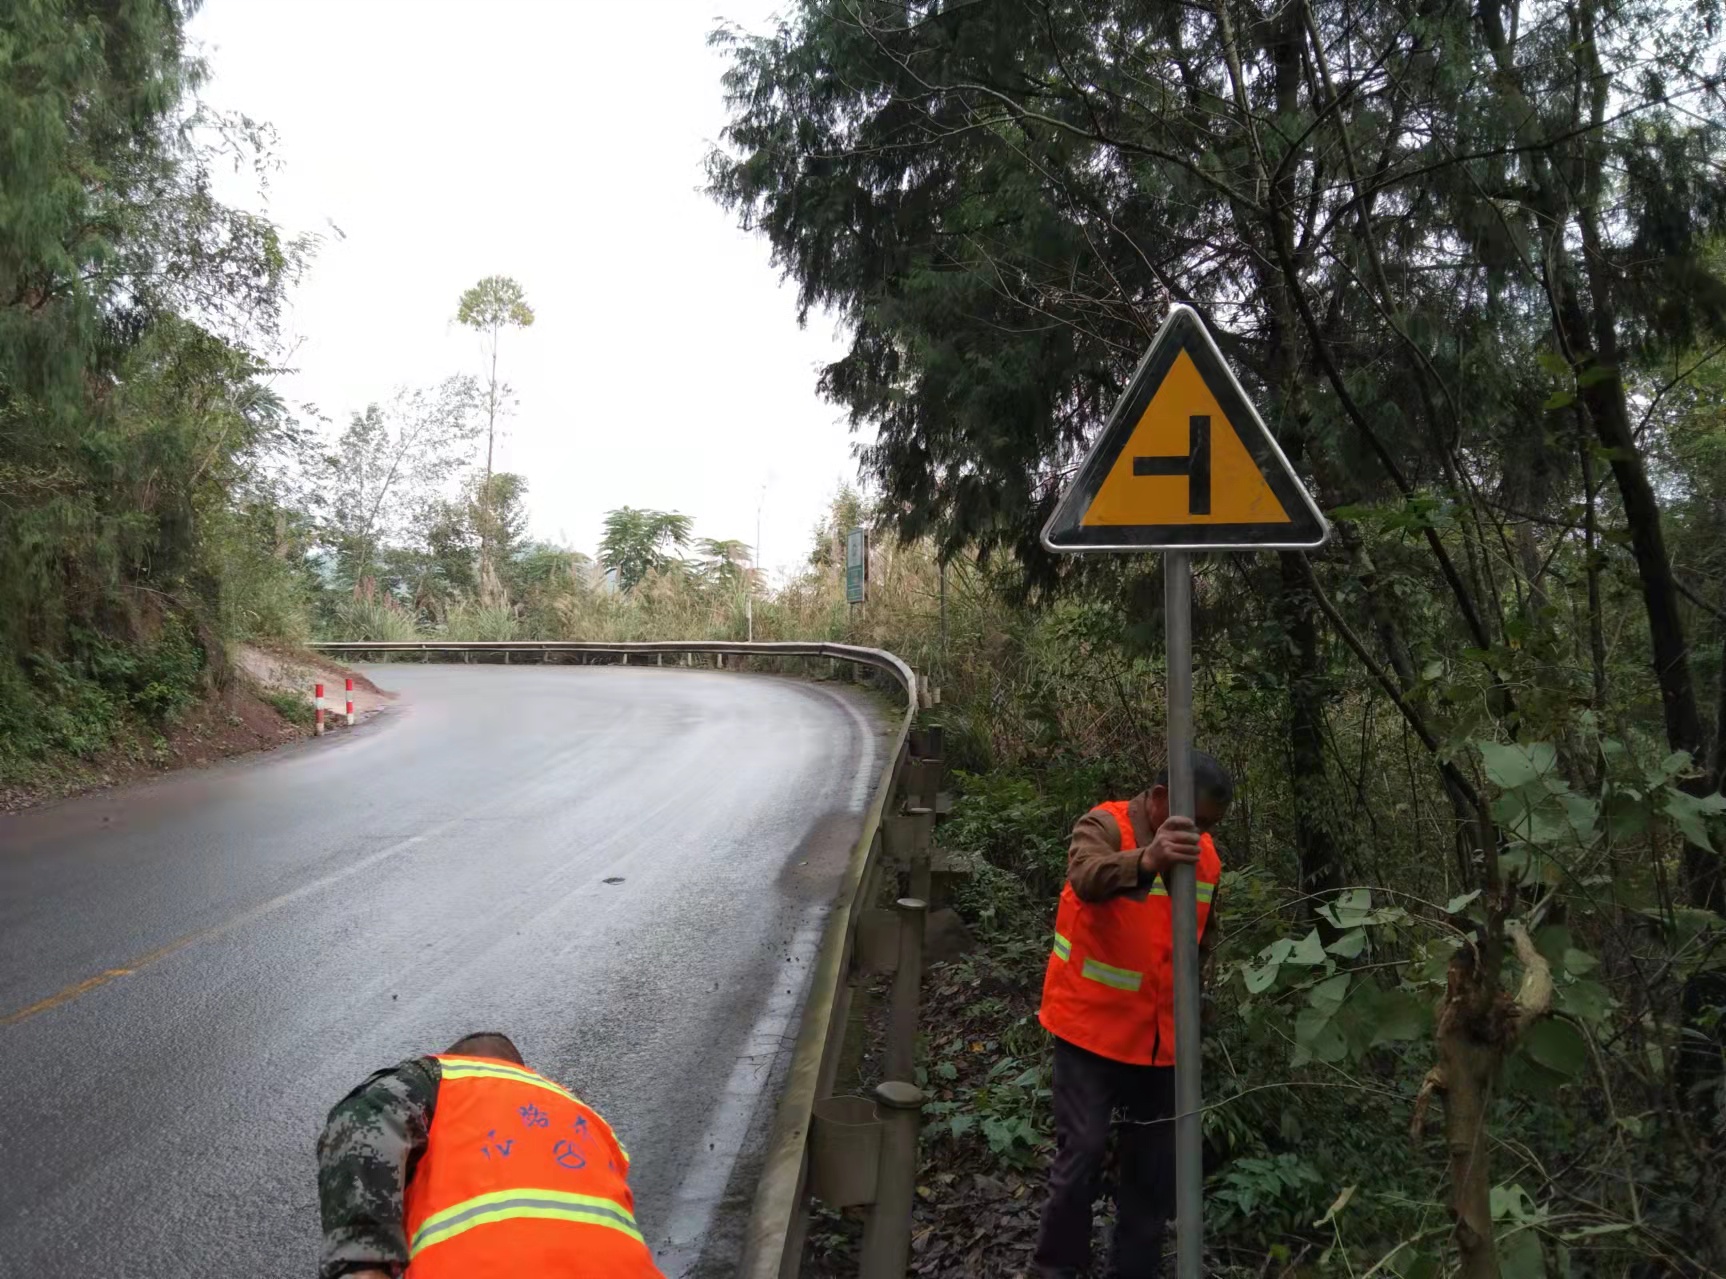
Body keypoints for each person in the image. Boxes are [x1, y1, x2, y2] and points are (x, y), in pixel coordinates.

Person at [1034, 751, 1233, 1279]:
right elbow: (1087, 876)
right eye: (1202, 820)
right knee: (1082, 1156)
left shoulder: (1206, 858)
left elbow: (1201, 940)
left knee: (1153, 1174)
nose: (1206, 833)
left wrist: (1199, 1008)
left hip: (1161, 1042)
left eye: (1213, 825)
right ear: (1164, 798)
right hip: (1090, 1033)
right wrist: (1147, 860)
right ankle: (1056, 1268)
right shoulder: (1106, 825)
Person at [317, 1031, 664, 1279]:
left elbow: (363, 1118)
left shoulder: (444, 1079)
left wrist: (363, 1265)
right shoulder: (588, 1119)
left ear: (451, 1059)